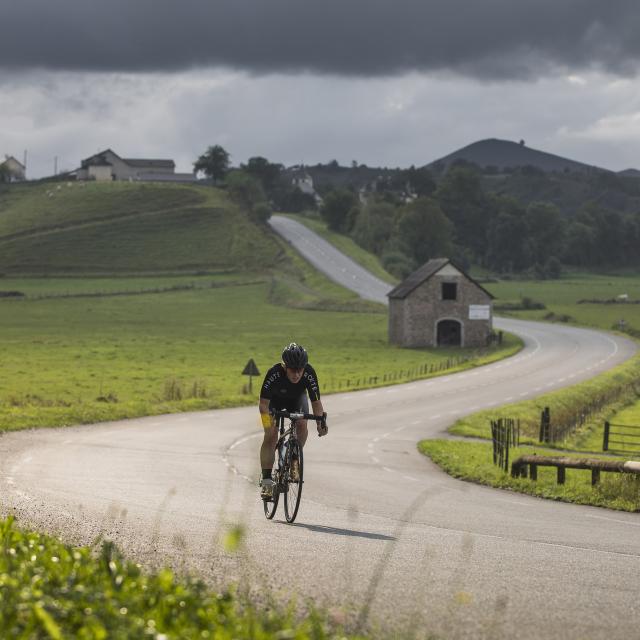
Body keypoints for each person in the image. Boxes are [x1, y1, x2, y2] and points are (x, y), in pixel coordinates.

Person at [258, 342, 327, 498]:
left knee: (303, 425)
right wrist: (268, 425)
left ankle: (294, 459)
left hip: (296, 400)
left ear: (304, 367)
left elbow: (316, 403)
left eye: (300, 370)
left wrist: (320, 422)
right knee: (270, 436)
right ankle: (267, 481)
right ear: (285, 366)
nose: (296, 375)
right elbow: (263, 404)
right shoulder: (274, 373)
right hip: (273, 403)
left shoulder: (309, 373)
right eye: (292, 370)